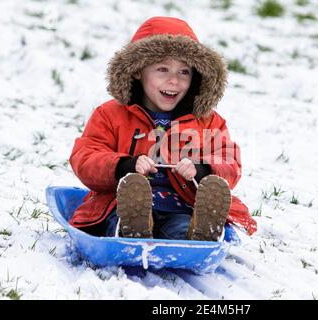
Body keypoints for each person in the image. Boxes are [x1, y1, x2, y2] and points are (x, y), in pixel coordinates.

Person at [69, 16, 257, 241]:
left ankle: (199, 235)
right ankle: (130, 230)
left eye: (184, 72)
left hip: (181, 205)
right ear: (138, 70)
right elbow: (86, 156)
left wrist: (202, 169)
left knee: (182, 226)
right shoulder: (110, 115)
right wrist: (125, 165)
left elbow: (229, 159)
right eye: (163, 69)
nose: (174, 81)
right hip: (124, 202)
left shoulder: (206, 121)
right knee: (117, 217)